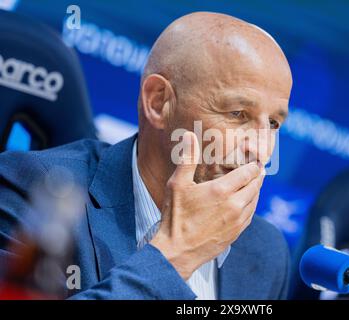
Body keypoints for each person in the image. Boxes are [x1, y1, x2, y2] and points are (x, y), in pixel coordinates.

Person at [0, 11, 292, 299]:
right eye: (237, 113)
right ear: (158, 102)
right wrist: (175, 255)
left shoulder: (265, 251)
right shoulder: (29, 193)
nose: (260, 149)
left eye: (273, 124)